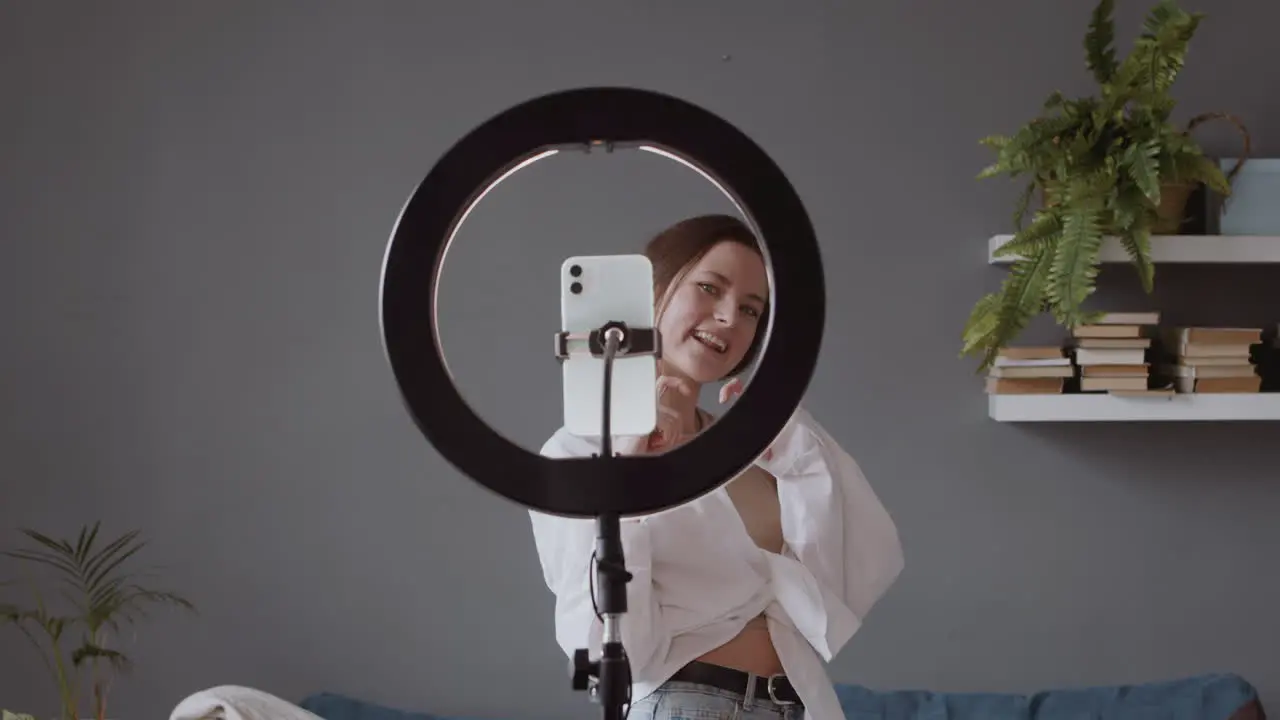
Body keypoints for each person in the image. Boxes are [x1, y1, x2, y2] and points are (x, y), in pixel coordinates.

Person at [529, 214, 904, 720]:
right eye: (709, 287)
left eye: (751, 309)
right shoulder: (579, 452)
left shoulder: (765, 444)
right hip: (686, 704)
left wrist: (796, 446)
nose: (730, 317)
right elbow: (603, 648)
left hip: (797, 702)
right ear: (653, 289)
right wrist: (632, 486)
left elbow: (865, 567)